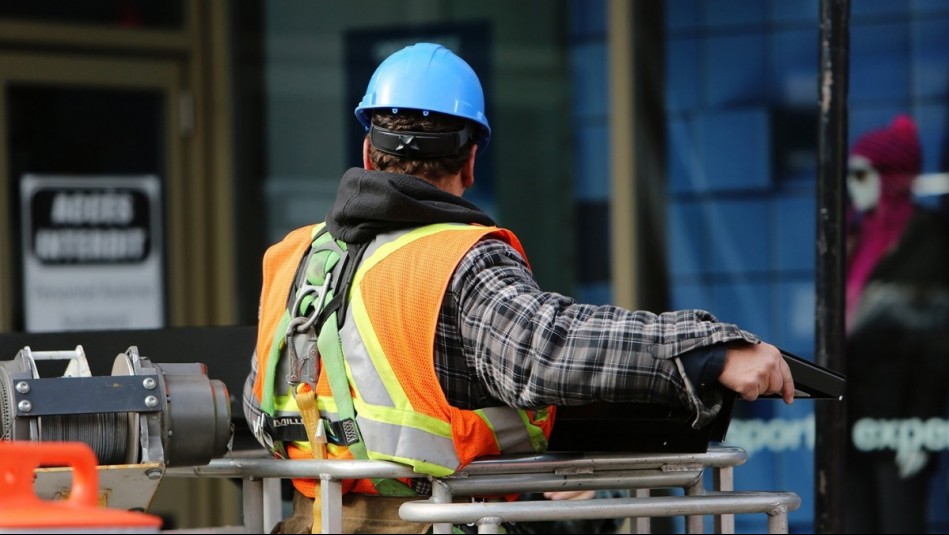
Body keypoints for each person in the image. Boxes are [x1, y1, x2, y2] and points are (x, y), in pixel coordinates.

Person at [242, 42, 795, 534]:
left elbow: (262, 405)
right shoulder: (458, 258)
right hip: (437, 521)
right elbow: (544, 350)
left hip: (315, 521)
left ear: (368, 153)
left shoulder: (294, 257)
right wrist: (706, 350)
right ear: (472, 160)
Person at [843, 114, 949, 534]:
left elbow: (935, 338)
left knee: (899, 521)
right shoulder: (853, 236)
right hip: (851, 413)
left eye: (861, 173)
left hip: (902, 416)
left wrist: (921, 426)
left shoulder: (930, 236)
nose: (853, 184)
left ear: (891, 176)